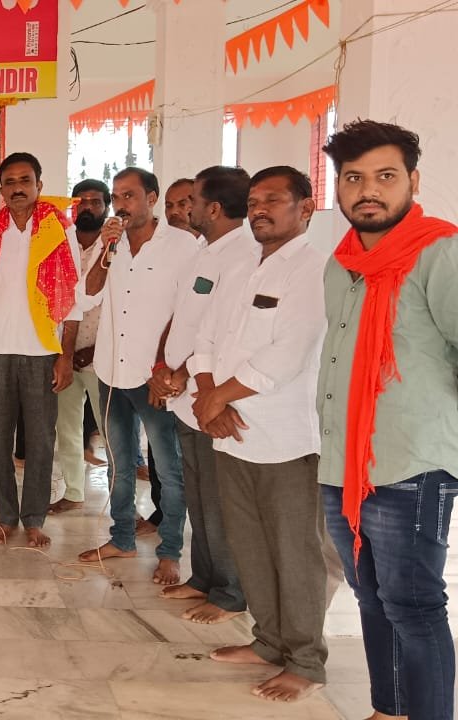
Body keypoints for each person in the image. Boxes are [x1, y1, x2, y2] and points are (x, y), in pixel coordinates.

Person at [318, 120, 458, 720]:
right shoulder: (342, 263)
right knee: (371, 599)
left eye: (384, 176)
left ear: (412, 182)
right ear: (340, 188)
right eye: (354, 178)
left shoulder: (440, 251)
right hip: (342, 464)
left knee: (414, 606)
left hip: (410, 462)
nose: (367, 190)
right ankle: (389, 709)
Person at [190, 165, 328, 702]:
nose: (260, 209)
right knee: (249, 546)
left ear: (305, 208)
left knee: (294, 553)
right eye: (253, 201)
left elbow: (287, 355)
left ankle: (306, 661)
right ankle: (268, 642)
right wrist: (207, 393)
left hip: (285, 438)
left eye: (274, 199)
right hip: (230, 431)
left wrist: (216, 396)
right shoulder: (243, 267)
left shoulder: (314, 271)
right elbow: (206, 336)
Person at [77, 167, 197, 585]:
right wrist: (107, 251)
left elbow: (190, 312)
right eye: (117, 197)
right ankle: (122, 537)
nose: (122, 204)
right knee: (119, 464)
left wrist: (169, 368)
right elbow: (87, 293)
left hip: (154, 376)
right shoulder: (113, 245)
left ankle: (169, 552)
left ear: (152, 197)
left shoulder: (182, 246)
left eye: (129, 196)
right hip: (111, 369)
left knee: (168, 468)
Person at [148, 166, 254, 624]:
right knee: (198, 494)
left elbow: (226, 334)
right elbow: (182, 318)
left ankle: (230, 592)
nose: (183, 208)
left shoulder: (245, 256)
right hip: (184, 394)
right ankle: (203, 577)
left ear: (212, 207)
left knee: (220, 500)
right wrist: (163, 367)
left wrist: (188, 377)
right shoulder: (203, 251)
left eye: (190, 200)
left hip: (211, 397)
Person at [0, 152, 81, 548]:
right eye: (9, 182)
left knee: (42, 440)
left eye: (24, 180)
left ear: (38, 186)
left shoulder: (59, 233)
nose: (17, 188)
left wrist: (65, 355)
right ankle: (6, 518)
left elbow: (74, 300)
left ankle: (34, 519)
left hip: (42, 351)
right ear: (1, 190)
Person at [49, 178, 111, 515]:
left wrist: (93, 348)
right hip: (64, 354)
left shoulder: (118, 246)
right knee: (67, 427)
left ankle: (122, 501)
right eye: (82, 201)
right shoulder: (61, 241)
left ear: (106, 207)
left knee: (110, 431)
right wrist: (64, 352)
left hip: (103, 355)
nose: (87, 207)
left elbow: (124, 303)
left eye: (95, 202)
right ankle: (73, 491)